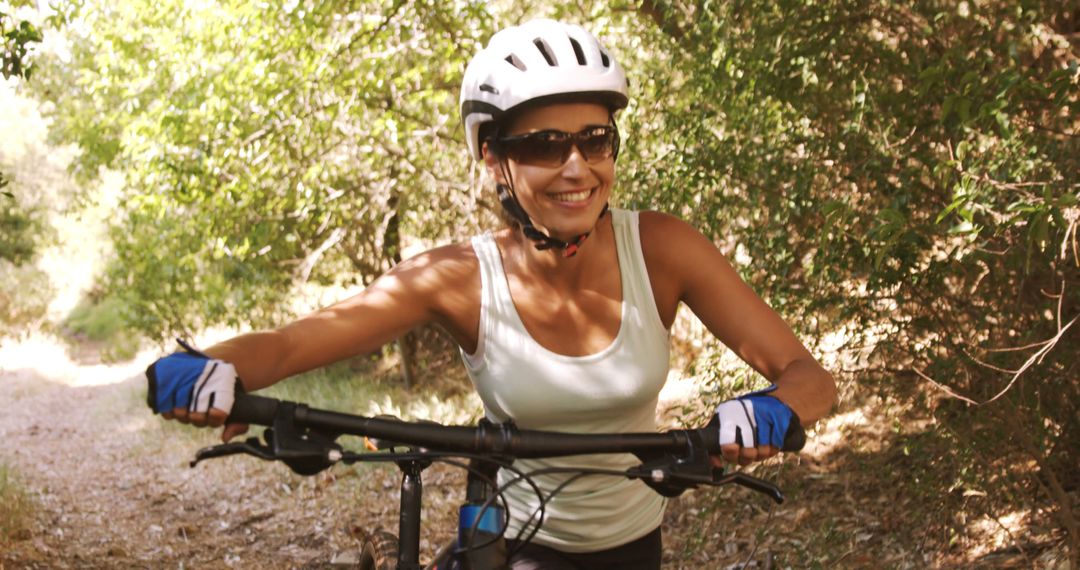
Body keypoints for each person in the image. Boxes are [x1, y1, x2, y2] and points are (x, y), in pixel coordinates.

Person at [146, 19, 837, 570]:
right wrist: (212, 366)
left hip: (635, 545)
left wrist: (771, 411)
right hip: (518, 542)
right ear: (492, 158)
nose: (577, 166)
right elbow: (296, 341)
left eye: (596, 139)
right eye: (543, 145)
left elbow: (809, 377)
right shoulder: (459, 278)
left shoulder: (662, 248)